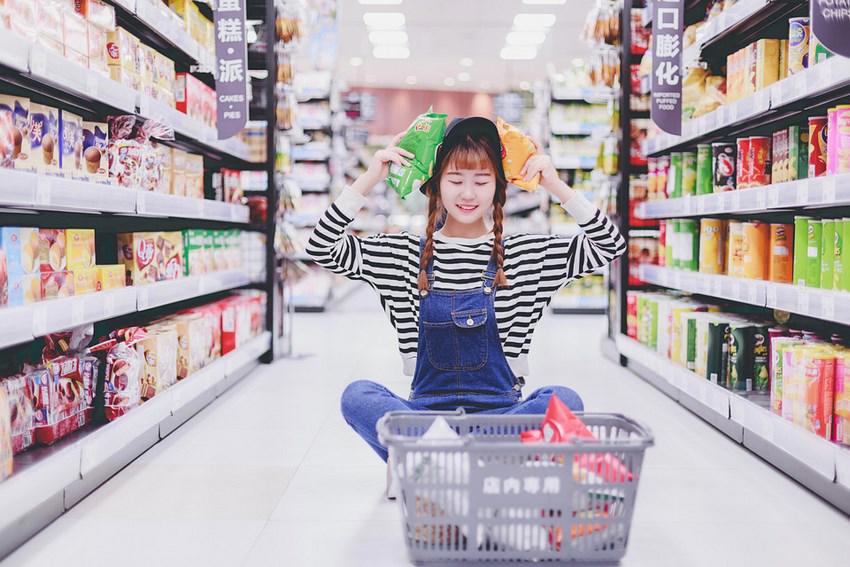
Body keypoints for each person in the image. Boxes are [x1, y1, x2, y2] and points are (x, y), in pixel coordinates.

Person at [307, 117, 625, 464]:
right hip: (426, 418)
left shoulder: (525, 255)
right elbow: (321, 247)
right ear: (437, 185)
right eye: (455, 179)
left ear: (498, 187)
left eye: (482, 180)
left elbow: (610, 246)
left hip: (501, 419)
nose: (468, 193)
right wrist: (371, 177)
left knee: (564, 399)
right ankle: (482, 461)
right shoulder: (402, 256)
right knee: (357, 396)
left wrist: (555, 185)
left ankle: (435, 462)